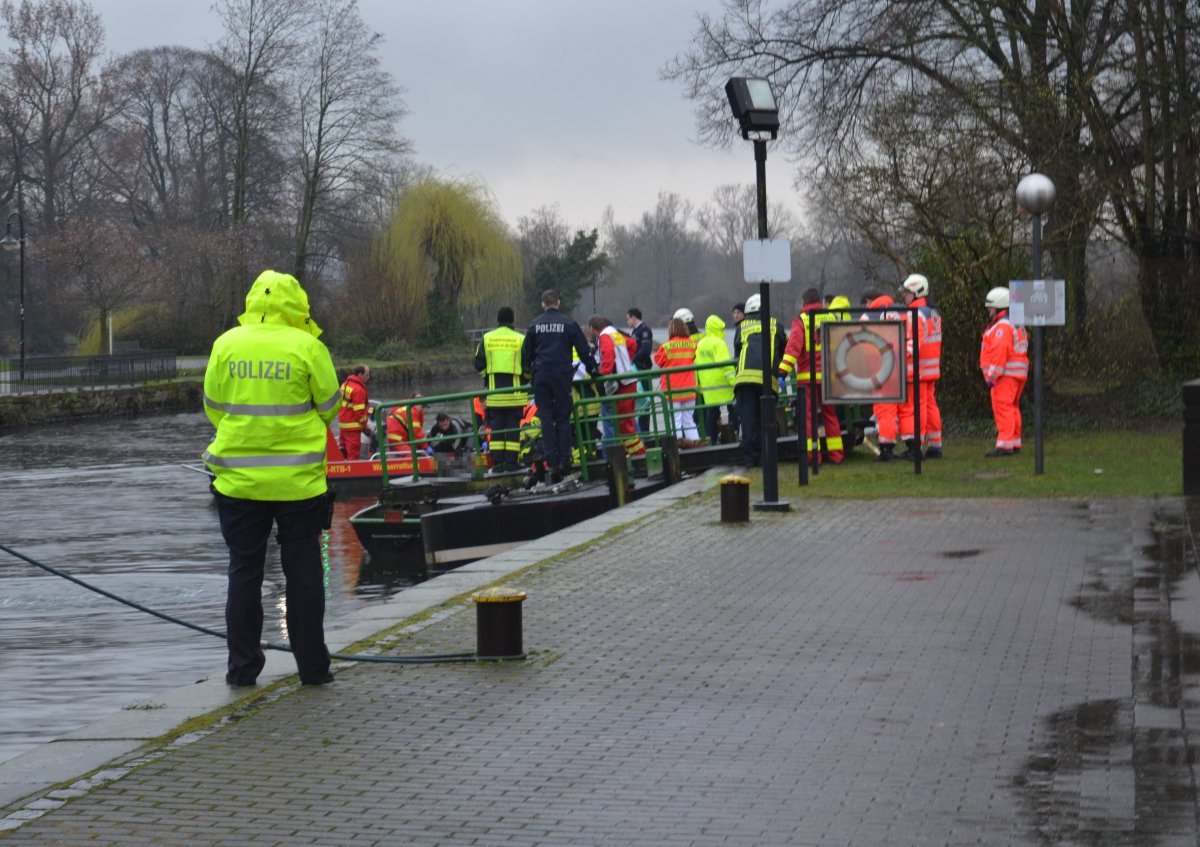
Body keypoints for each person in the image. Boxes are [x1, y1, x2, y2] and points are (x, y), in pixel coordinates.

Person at [202, 269, 340, 688]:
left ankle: (242, 670)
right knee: (303, 572)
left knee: (244, 571)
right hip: (299, 484)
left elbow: (213, 405)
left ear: (253, 302)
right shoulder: (308, 346)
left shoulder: (226, 344)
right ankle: (313, 669)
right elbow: (331, 406)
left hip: (238, 483)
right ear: (296, 305)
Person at [521, 289, 595, 484]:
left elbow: (526, 354)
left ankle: (551, 461)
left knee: (546, 418)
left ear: (543, 304)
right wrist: (593, 369)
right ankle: (564, 461)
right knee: (563, 418)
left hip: (541, 375)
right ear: (558, 302)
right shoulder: (568, 322)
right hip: (562, 375)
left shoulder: (534, 324)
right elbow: (583, 349)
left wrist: (528, 375)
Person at [779, 287, 845, 465]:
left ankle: (812, 456)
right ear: (820, 301)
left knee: (808, 418)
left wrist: (782, 372)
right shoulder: (832, 318)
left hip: (808, 379)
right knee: (830, 415)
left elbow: (793, 349)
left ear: (804, 302)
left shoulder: (801, 321)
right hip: (829, 378)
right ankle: (836, 455)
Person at [732, 293, 786, 467]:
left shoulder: (741, 327)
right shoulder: (776, 325)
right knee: (767, 421)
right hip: (767, 381)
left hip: (744, 380)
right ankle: (766, 457)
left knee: (748, 422)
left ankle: (750, 460)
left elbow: (738, 350)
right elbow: (783, 350)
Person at [473, 306, 527, 473]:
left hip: (494, 395)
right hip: (515, 395)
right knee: (512, 429)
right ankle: (511, 464)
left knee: (496, 429)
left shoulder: (487, 338)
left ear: (497, 320)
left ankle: (497, 464)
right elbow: (528, 365)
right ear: (512, 320)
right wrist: (525, 379)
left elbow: (478, 363)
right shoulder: (520, 339)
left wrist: (488, 379)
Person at [898, 273, 944, 459]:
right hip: (931, 368)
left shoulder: (914, 314)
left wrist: (896, 356)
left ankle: (917, 446)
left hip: (917, 369)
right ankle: (935, 444)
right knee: (930, 406)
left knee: (918, 407)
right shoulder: (933, 312)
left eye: (907, 293)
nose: (904, 296)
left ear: (917, 292)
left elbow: (912, 344)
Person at [980, 286, 1029, 457]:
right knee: (1012, 407)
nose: (989, 311)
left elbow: (1000, 353)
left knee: (1003, 408)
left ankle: (1005, 445)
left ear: (999, 307)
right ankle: (1014, 441)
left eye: (991, 308)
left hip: (1005, 375)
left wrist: (992, 376)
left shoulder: (1002, 327)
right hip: (1015, 374)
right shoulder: (1014, 324)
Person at [588, 315, 646, 457]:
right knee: (628, 422)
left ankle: (638, 455)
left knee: (624, 426)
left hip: (621, 385)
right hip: (629, 380)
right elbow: (632, 344)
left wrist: (603, 374)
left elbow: (607, 355)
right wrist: (626, 361)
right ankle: (635, 453)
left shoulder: (604, 336)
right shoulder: (615, 332)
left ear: (592, 328)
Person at [862, 292, 904, 462]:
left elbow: (861, 342)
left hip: (878, 368)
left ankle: (886, 448)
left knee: (884, 410)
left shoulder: (868, 316)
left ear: (869, 301)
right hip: (897, 367)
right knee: (894, 408)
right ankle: (892, 443)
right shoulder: (900, 312)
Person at [654, 316, 702, 446]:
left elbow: (658, 360)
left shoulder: (666, 347)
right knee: (689, 420)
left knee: (675, 421)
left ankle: (678, 447)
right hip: (689, 388)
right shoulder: (693, 344)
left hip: (672, 389)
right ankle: (695, 444)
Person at [694, 313, 736, 445]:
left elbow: (695, 365)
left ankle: (710, 441)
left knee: (711, 414)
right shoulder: (719, 343)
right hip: (723, 386)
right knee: (733, 410)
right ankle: (733, 436)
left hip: (707, 387)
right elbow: (726, 366)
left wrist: (697, 385)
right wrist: (735, 382)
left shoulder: (700, 344)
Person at [625, 307, 654, 440]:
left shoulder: (644, 330)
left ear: (633, 317)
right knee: (638, 402)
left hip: (642, 369)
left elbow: (646, 350)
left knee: (644, 403)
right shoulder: (635, 332)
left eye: (628, 319)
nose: (627, 322)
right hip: (636, 370)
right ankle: (641, 435)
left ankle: (645, 435)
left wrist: (633, 359)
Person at [335, 364, 370, 460]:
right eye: (366, 375)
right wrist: (365, 426)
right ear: (360, 374)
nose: (368, 378)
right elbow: (359, 413)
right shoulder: (358, 390)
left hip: (343, 424)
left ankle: (343, 471)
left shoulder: (345, 384)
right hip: (352, 427)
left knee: (343, 449)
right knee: (353, 454)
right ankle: (352, 472)